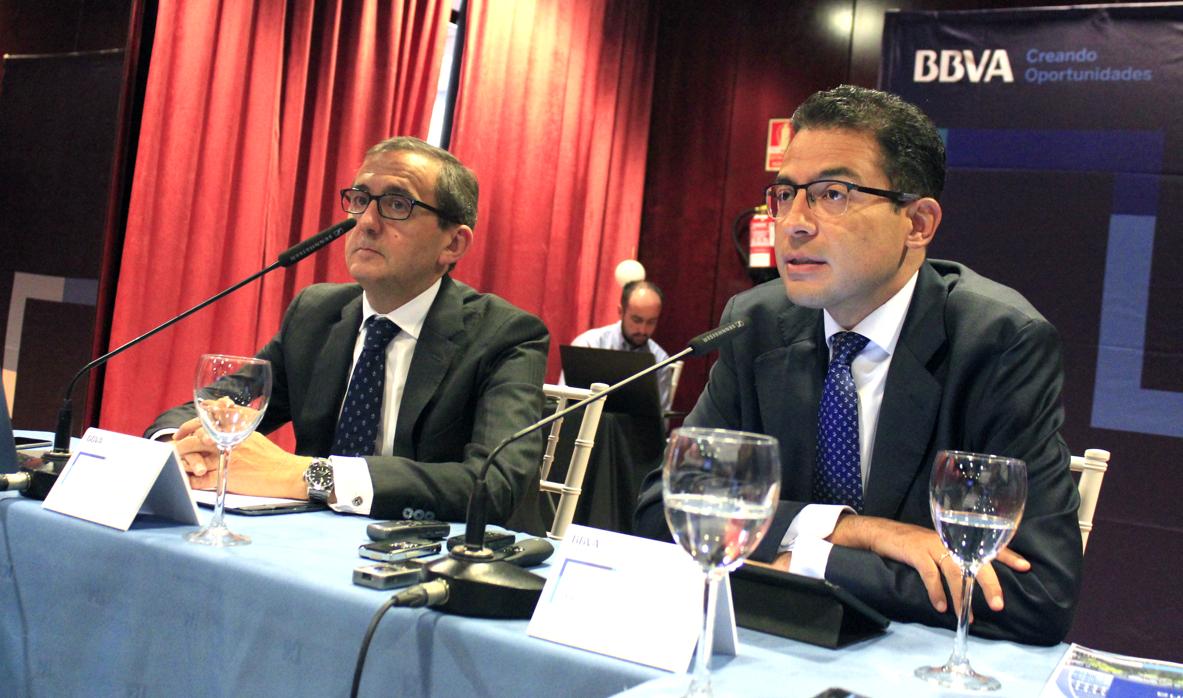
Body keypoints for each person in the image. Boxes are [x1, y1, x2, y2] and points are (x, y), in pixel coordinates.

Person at [634, 85, 1082, 645]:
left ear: (917, 223)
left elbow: (1035, 595)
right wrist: (860, 533)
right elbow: (664, 514)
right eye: (785, 194)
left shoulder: (997, 344)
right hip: (769, 649)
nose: (794, 223)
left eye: (833, 194)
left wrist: (807, 561)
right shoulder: (755, 325)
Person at [148, 137, 549, 526]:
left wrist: (308, 476)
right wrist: (179, 447)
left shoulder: (506, 335)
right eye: (360, 200)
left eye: (397, 205)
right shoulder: (315, 314)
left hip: (434, 553)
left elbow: (492, 485)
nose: (366, 223)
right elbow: (218, 405)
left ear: (454, 245)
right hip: (314, 539)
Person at [569, 280, 672, 409]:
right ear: (621, 312)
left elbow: (661, 416)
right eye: (637, 320)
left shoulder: (660, 360)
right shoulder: (588, 344)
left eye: (651, 322)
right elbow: (563, 401)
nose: (643, 330)